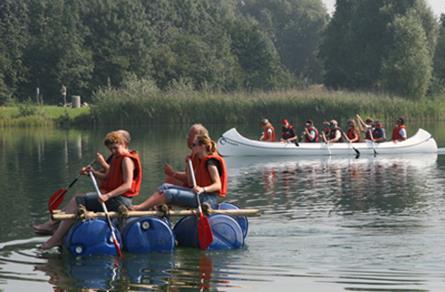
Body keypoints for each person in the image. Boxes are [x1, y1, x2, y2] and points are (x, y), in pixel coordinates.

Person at [35, 130, 142, 249]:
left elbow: (127, 185)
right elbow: (107, 176)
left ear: (125, 144)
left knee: (77, 200)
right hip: (114, 198)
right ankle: (55, 229)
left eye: (115, 148)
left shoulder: (127, 160)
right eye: (111, 149)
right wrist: (92, 173)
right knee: (78, 197)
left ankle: (56, 237)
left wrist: (108, 195)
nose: (113, 151)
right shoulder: (118, 157)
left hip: (121, 201)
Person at [132, 134, 227, 211]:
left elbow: (217, 185)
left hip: (208, 198)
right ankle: (143, 206)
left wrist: (203, 189)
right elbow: (190, 183)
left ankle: (140, 208)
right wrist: (189, 165)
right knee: (164, 186)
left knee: (169, 193)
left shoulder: (210, 162)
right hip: (198, 194)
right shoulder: (198, 160)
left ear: (202, 147)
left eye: (194, 145)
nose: (191, 147)